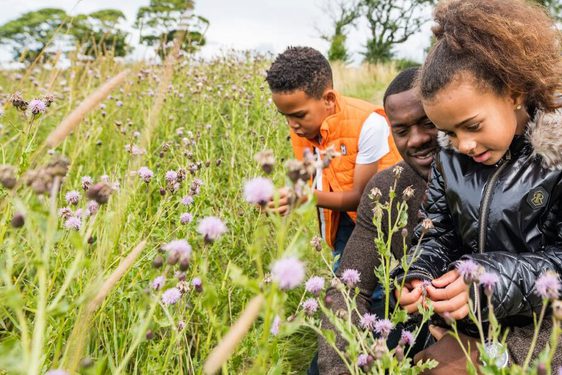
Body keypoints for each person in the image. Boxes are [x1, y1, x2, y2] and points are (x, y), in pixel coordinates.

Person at [392, 0, 562, 372]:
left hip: (541, 332)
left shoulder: (557, 157)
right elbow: (436, 231)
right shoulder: (449, 156)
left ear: (514, 92)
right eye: (449, 132)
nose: (463, 145)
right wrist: (420, 272)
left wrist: (492, 281)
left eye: (472, 125)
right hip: (462, 323)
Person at [314, 67, 439, 375]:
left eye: (428, 123)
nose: (417, 140)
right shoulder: (387, 189)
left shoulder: (487, 177)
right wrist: (338, 367)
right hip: (411, 321)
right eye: (402, 130)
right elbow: (350, 286)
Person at [265, 47, 402, 267]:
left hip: (381, 222)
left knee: (375, 291)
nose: (292, 125)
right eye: (285, 117)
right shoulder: (302, 128)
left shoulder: (369, 124)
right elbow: (315, 179)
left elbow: (361, 198)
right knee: (346, 286)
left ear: (328, 99)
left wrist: (304, 196)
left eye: (299, 115)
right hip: (340, 220)